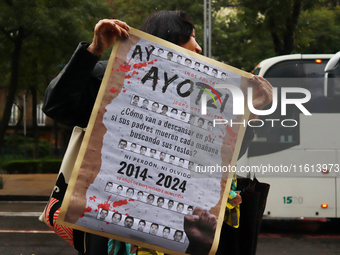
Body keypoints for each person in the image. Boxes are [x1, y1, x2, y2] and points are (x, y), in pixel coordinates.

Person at [43, 9, 273, 255]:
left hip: (178, 231)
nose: (198, 48)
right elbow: (58, 106)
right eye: (192, 37)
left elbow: (222, 162)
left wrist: (253, 112)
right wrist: (94, 49)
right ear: (171, 39)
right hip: (114, 235)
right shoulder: (114, 76)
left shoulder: (205, 98)